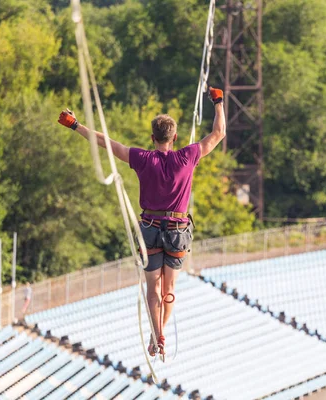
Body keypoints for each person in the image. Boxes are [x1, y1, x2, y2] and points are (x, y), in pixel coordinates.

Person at [57, 87, 226, 358]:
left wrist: (76, 125)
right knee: (169, 288)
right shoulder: (187, 156)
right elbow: (218, 134)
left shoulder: (142, 158)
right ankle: (158, 334)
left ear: (153, 138)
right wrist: (218, 102)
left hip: (149, 228)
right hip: (177, 230)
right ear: (175, 138)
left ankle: (155, 330)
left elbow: (107, 143)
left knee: (153, 288)